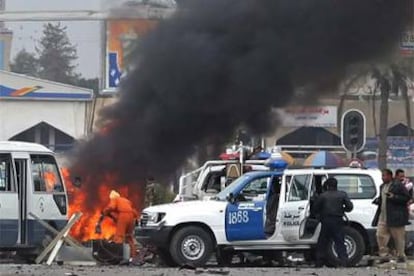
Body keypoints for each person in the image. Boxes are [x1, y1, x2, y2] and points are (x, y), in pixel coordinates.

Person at [372, 169, 411, 263]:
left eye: (384, 176)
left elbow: (407, 198)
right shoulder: (382, 186)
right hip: (383, 216)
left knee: (398, 238)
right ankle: (384, 256)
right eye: (382, 176)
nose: (382, 178)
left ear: (390, 176)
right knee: (380, 235)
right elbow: (382, 199)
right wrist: (378, 201)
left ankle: (400, 256)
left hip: (396, 216)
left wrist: (394, 197)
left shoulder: (398, 185)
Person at [313, 177, 354, 267]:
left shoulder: (323, 195)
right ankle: (344, 261)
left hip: (326, 220)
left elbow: (315, 208)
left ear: (327, 186)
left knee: (322, 241)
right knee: (339, 241)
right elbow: (350, 207)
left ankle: (319, 262)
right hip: (338, 220)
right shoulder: (342, 194)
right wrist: (342, 209)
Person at [100, 190, 139, 264]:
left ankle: (118, 257)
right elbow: (132, 210)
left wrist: (104, 212)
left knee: (119, 236)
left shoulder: (115, 199)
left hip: (123, 216)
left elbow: (111, 207)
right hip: (131, 217)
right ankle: (133, 257)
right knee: (129, 237)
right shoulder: (126, 200)